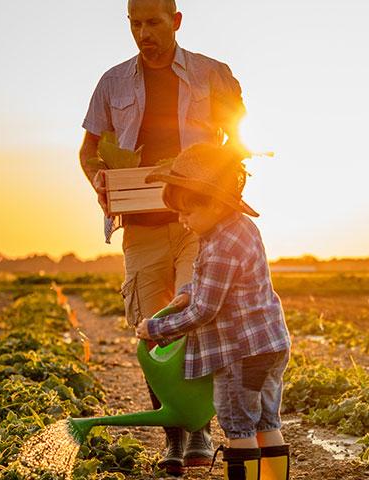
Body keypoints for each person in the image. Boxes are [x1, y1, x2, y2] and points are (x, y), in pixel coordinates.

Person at [78, 0, 245, 473]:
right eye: (135, 24)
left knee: (196, 316)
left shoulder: (213, 74)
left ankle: (199, 429)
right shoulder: (112, 83)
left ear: (175, 22)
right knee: (153, 331)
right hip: (142, 227)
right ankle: (174, 435)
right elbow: (89, 151)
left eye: (153, 23)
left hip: (200, 222)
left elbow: (239, 136)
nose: (144, 33)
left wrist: (219, 173)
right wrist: (99, 180)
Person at [138, 143, 291, 480]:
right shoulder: (236, 230)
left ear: (214, 203)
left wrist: (156, 329)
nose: (182, 220)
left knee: (238, 427)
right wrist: (184, 294)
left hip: (240, 353)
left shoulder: (221, 245)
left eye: (187, 212)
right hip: (270, 345)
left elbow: (205, 310)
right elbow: (215, 285)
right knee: (267, 422)